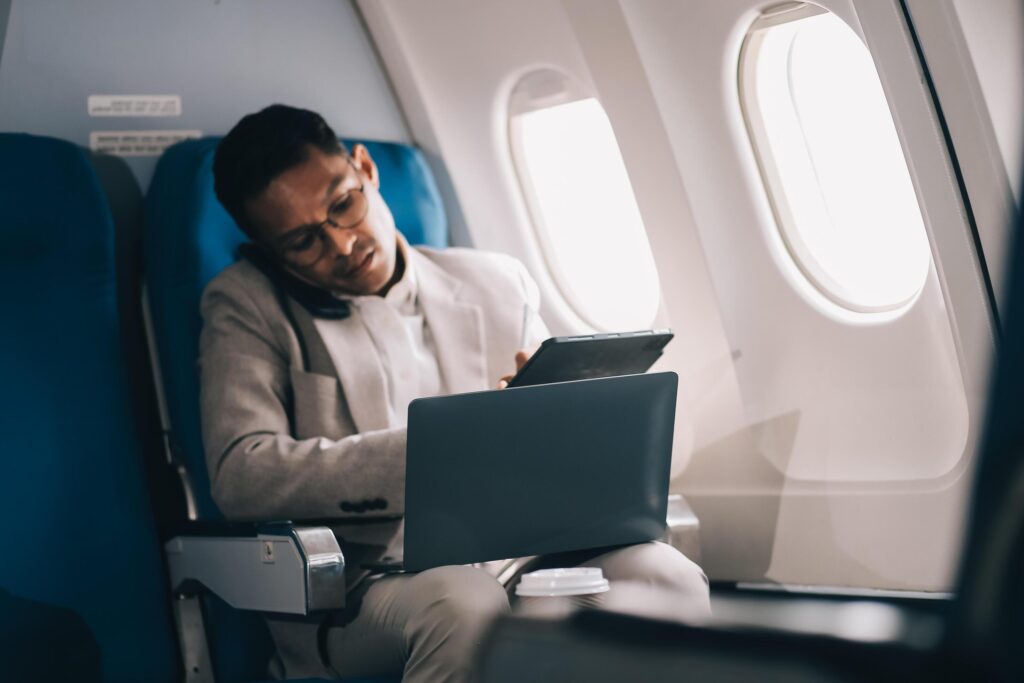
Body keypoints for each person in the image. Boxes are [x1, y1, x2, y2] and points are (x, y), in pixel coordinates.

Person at [200, 104, 709, 682]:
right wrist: (430, 452)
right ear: (270, 252)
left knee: (663, 576)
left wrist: (550, 421)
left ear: (365, 169)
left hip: (524, 553)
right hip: (361, 588)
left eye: (344, 205)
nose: (342, 245)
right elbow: (241, 473)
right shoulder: (246, 305)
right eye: (304, 242)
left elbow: (559, 458)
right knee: (464, 604)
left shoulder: (495, 280)